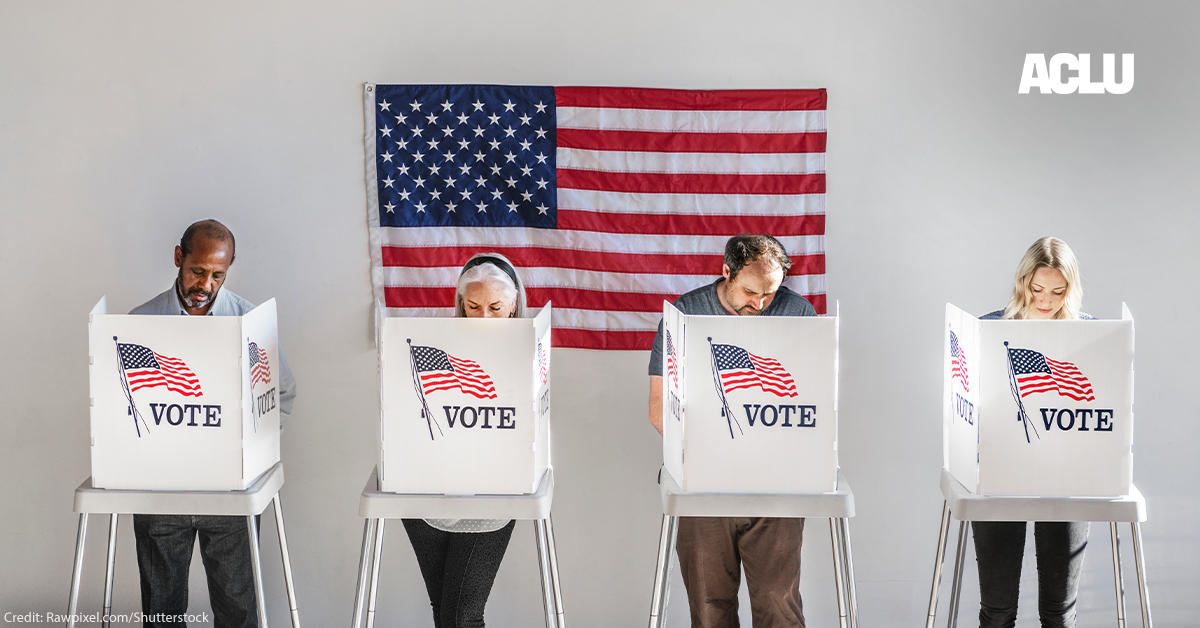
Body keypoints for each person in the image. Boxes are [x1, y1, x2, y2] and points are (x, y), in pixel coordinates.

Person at [129, 219, 296, 628]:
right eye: (197, 271)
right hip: (160, 491)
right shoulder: (139, 322)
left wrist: (254, 451)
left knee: (238, 609)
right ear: (178, 258)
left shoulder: (250, 321)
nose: (206, 283)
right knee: (161, 612)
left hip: (230, 490)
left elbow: (283, 394)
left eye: (218, 275)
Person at [648, 234, 816, 628]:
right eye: (749, 291)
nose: (758, 304)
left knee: (779, 606)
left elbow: (816, 404)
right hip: (704, 484)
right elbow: (659, 410)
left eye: (769, 294)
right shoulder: (685, 314)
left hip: (777, 486)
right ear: (726, 272)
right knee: (709, 607)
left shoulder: (799, 314)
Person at [973, 236, 1092, 628]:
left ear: (1071, 290)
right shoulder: (989, 328)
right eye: (1037, 289)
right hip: (999, 475)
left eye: (1059, 292)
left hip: (1067, 477)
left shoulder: (1089, 334)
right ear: (1022, 281)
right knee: (998, 612)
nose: (1046, 300)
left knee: (1059, 614)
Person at [401, 252, 526, 628]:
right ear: (460, 304)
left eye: (495, 307)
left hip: (491, 496)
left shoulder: (527, 352)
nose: (483, 318)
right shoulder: (433, 347)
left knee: (462, 615)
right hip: (427, 493)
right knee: (445, 612)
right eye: (473, 306)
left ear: (514, 304)